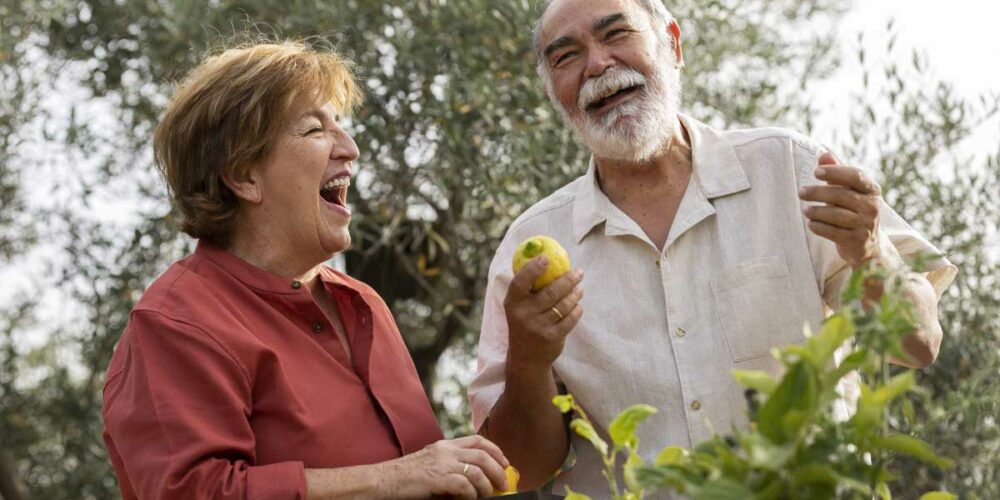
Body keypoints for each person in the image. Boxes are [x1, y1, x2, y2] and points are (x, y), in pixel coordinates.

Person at [469, 0, 957, 496]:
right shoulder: (526, 251)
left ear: (673, 45)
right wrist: (528, 362)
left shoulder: (790, 170)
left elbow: (917, 344)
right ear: (554, 92)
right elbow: (519, 470)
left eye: (616, 35)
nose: (597, 64)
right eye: (566, 56)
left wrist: (872, 251)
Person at [101, 41, 509, 500]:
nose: (350, 149)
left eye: (341, 126)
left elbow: (426, 474)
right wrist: (394, 477)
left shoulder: (364, 304)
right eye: (315, 129)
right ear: (243, 176)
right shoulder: (176, 323)